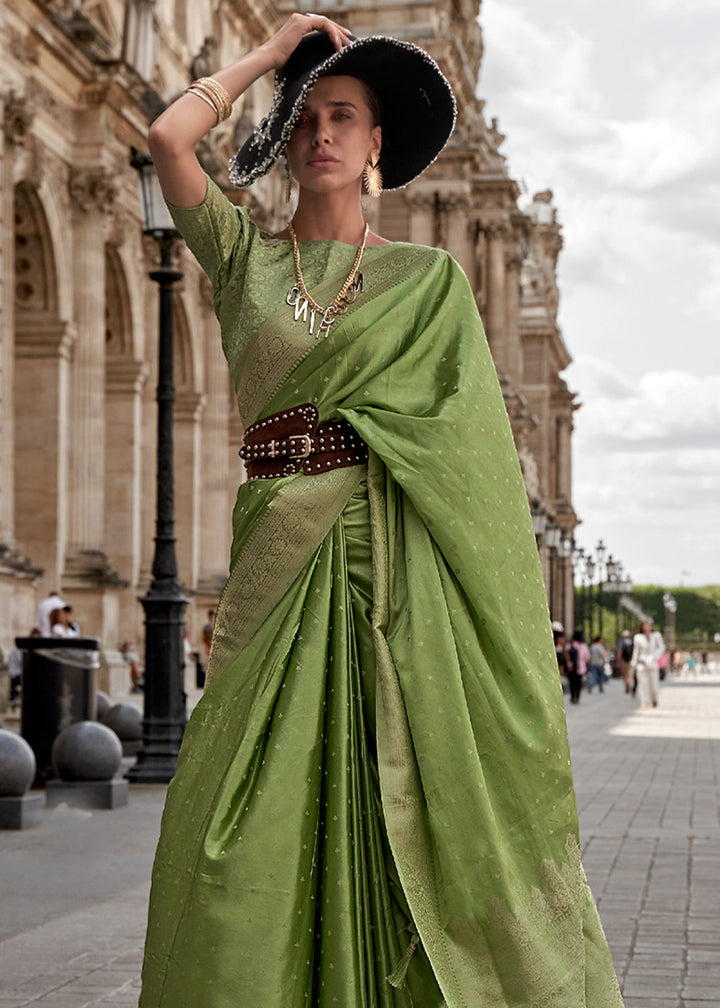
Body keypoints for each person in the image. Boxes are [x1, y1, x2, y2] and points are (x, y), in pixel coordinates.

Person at [139, 15, 623, 1008]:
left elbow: (473, 460)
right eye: (306, 117)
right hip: (277, 565)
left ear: (375, 147)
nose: (321, 133)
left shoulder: (431, 282)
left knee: (399, 795)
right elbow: (165, 143)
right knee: (235, 818)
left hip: (395, 578)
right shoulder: (244, 259)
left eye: (343, 117)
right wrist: (271, 58)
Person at [631, 619, 665, 709]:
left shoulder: (656, 636)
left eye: (648, 625)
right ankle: (644, 701)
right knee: (642, 684)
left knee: (653, 684)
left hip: (653, 663)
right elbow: (636, 652)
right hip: (642, 664)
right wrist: (633, 665)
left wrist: (654, 657)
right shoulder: (638, 637)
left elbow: (661, 648)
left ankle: (654, 698)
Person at [616, 628, 634, 694]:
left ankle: (627, 685)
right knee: (630, 673)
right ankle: (629, 683)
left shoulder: (621, 642)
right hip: (631, 659)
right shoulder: (632, 641)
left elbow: (619, 652)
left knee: (625, 674)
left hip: (624, 660)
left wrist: (618, 661)